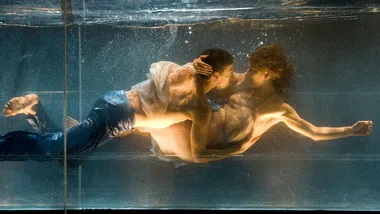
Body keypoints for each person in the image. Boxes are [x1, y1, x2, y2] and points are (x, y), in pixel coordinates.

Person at [135, 44, 374, 164]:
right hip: (193, 131)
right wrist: (196, 64)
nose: (245, 72)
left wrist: (350, 130)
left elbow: (313, 132)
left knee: (144, 124)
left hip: (203, 145)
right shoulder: (239, 82)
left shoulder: (277, 109)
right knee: (146, 119)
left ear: (268, 75)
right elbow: (210, 75)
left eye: (252, 70)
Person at [1, 48, 240, 167]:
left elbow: (199, 65)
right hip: (117, 116)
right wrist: (232, 152)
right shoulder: (199, 108)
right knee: (54, 148)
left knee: (70, 159)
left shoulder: (184, 71)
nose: (233, 77)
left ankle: (34, 110)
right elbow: (197, 154)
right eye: (230, 72)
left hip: (115, 102)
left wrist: (197, 62)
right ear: (216, 75)